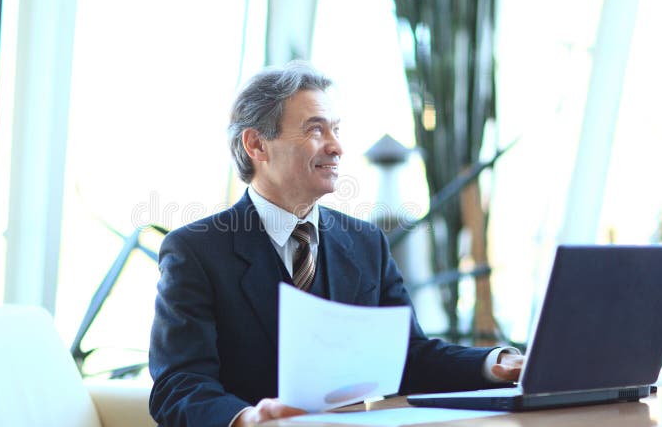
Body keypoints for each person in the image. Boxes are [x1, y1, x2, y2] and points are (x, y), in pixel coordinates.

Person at [148, 62, 524, 427]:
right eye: (316, 130)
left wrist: (492, 362)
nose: (337, 147)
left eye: (336, 130)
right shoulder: (195, 251)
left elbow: (408, 355)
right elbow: (179, 385)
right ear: (256, 145)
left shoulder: (366, 243)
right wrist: (247, 418)